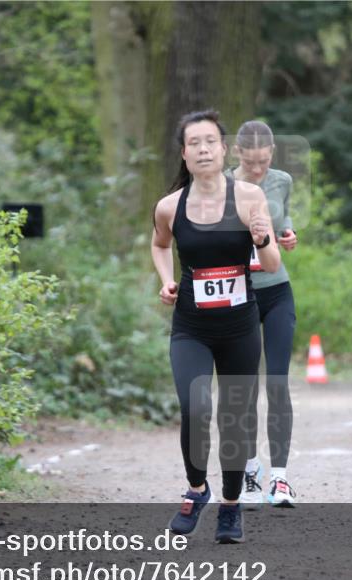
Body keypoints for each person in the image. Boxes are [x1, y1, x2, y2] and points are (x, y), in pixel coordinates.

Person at [151, 109, 280, 543]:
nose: (203, 149)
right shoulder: (170, 206)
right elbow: (159, 244)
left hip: (241, 327)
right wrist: (167, 279)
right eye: (194, 143)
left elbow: (272, 262)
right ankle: (196, 489)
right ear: (184, 155)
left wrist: (262, 239)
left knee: (236, 417)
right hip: (191, 326)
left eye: (211, 141)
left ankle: (230, 504)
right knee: (195, 407)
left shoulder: (248, 198)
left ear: (223, 150)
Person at [228, 120, 299, 508]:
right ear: (237, 153)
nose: (259, 170)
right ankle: (252, 470)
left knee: (277, 382)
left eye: (265, 161)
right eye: (252, 162)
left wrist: (287, 236)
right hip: (238, 295)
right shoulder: (220, 185)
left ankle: (281, 479)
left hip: (276, 292)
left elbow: (283, 223)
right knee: (244, 389)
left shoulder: (282, 180)